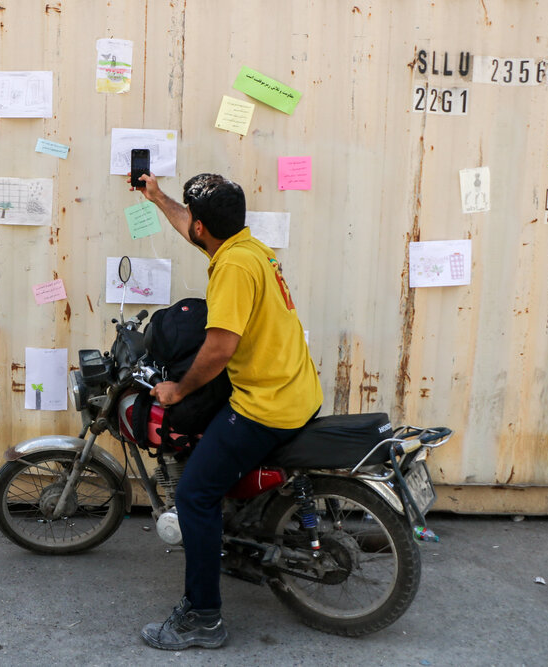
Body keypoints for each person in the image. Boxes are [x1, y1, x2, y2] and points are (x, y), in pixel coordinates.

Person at [134, 173, 323, 650]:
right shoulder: (245, 247)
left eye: (193, 221)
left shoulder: (234, 268)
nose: (192, 227)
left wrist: (176, 389)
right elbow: (191, 227)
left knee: (195, 492)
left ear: (203, 228)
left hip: (266, 403)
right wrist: (157, 198)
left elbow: (218, 349)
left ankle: (203, 618)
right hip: (294, 388)